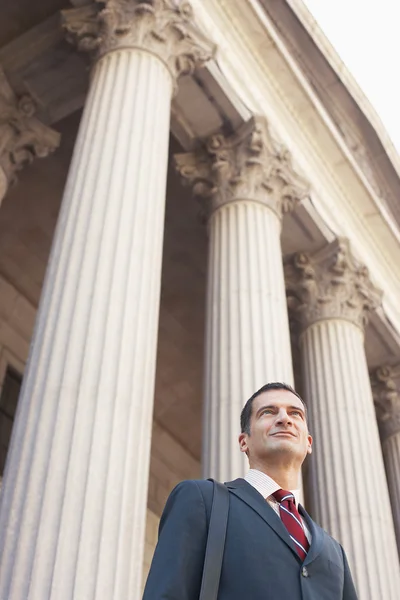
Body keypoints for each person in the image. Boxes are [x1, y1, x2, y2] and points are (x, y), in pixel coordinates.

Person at [142, 382, 358, 599]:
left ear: (308, 443)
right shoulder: (201, 499)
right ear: (244, 441)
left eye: (295, 413)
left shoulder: (334, 551)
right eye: (268, 412)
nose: (284, 419)